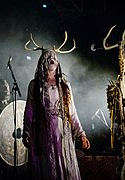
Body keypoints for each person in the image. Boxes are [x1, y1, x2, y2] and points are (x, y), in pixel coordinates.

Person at [22, 49, 90, 180]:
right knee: (47, 166)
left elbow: (72, 112)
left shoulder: (65, 85)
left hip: (62, 132)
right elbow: (29, 110)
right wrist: (27, 132)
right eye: (47, 57)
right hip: (42, 133)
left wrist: (82, 134)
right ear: (42, 62)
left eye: (54, 57)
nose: (51, 59)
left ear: (58, 62)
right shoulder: (35, 85)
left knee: (63, 163)